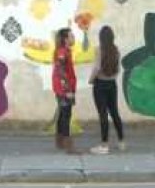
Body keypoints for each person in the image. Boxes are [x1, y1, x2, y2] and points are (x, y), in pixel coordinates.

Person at [88, 26, 125, 155]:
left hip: (100, 84)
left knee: (103, 114)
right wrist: (112, 77)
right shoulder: (116, 50)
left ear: (101, 37)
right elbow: (118, 69)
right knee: (114, 112)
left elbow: (97, 67)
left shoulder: (99, 50)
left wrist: (91, 80)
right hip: (112, 84)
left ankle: (104, 145)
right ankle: (121, 141)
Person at [52, 27, 79, 154]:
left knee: (63, 114)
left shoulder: (65, 51)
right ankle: (69, 146)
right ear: (65, 39)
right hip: (64, 89)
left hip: (63, 87)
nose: (73, 38)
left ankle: (60, 141)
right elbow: (61, 71)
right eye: (71, 36)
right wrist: (67, 90)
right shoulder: (62, 52)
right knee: (66, 115)